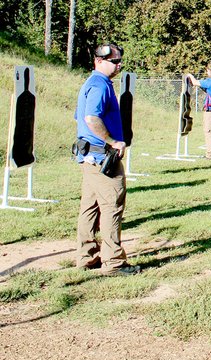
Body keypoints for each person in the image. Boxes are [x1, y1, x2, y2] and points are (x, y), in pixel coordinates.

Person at [73, 43, 138, 276]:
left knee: (89, 208)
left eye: (120, 61)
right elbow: (91, 118)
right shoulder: (99, 85)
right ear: (98, 61)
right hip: (102, 156)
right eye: (114, 61)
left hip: (90, 155)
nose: (118, 65)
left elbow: (79, 117)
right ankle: (113, 263)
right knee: (112, 206)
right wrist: (112, 141)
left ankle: (87, 256)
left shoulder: (92, 83)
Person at [188, 62, 211, 159]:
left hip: (210, 111)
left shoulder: (210, 81)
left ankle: (210, 154)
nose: (207, 73)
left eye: (207, 71)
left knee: (209, 132)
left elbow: (195, 82)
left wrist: (190, 75)